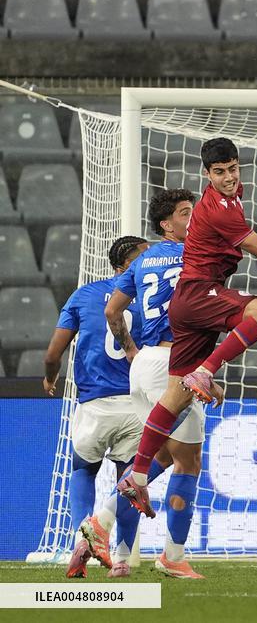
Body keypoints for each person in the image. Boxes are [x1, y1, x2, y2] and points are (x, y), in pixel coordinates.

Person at [116, 139, 257, 551]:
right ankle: (206, 370)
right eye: (220, 172)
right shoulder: (217, 208)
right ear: (207, 175)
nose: (230, 177)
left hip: (186, 304)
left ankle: (137, 475)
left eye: (233, 168)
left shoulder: (231, 195)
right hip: (200, 293)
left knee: (176, 397)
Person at [97, 188, 207, 578]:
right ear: (166, 224)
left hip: (144, 363)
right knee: (188, 461)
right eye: (185, 213)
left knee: (160, 456)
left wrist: (130, 349)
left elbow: (113, 310)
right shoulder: (195, 254)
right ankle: (172, 556)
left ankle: (100, 522)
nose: (193, 218)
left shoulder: (142, 261)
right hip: (173, 364)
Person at [48, 236, 147, 578]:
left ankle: (82, 540)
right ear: (125, 266)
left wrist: (50, 376)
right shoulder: (151, 298)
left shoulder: (84, 295)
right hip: (135, 405)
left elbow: (53, 353)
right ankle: (122, 560)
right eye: (143, 257)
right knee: (131, 484)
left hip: (93, 404)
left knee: (83, 470)